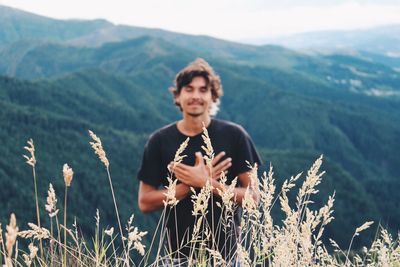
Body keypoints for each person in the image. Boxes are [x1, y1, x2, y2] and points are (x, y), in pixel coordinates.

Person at [137, 58, 261, 264]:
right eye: (188, 89)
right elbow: (144, 202)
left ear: (213, 97)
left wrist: (207, 184)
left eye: (203, 90)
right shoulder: (159, 141)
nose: (196, 95)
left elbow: (253, 198)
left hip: (226, 258)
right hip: (177, 257)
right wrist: (188, 185)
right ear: (177, 96)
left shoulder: (235, 136)